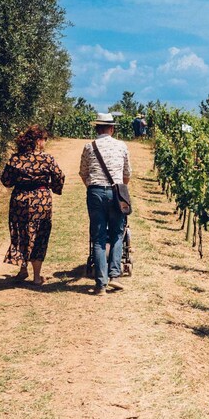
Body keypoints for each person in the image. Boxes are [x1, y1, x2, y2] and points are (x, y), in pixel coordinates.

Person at [1, 125, 65, 286]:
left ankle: (23, 269)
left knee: (21, 231)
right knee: (39, 234)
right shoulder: (47, 159)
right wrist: (54, 188)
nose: (45, 143)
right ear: (38, 141)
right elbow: (59, 176)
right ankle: (37, 277)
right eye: (44, 139)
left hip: (20, 199)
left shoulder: (15, 159)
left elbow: (6, 181)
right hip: (41, 200)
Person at [79, 113, 132, 295]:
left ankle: (100, 284)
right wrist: (118, 189)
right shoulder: (121, 146)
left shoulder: (89, 147)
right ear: (111, 129)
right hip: (116, 192)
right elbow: (127, 174)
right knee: (117, 233)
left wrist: (93, 187)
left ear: (97, 129)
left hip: (95, 192)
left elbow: (83, 173)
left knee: (98, 237)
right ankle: (115, 275)